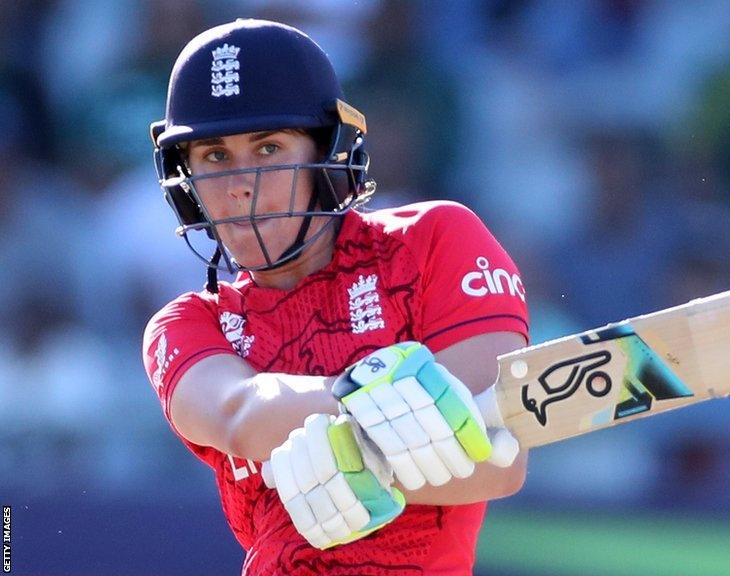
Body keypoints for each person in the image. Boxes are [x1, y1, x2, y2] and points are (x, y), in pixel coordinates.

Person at [142, 19, 530, 575]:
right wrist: (370, 398)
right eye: (214, 156)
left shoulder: (432, 242)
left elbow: (496, 459)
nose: (240, 184)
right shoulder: (185, 324)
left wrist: (341, 448)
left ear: (333, 153)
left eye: (268, 147)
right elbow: (238, 413)